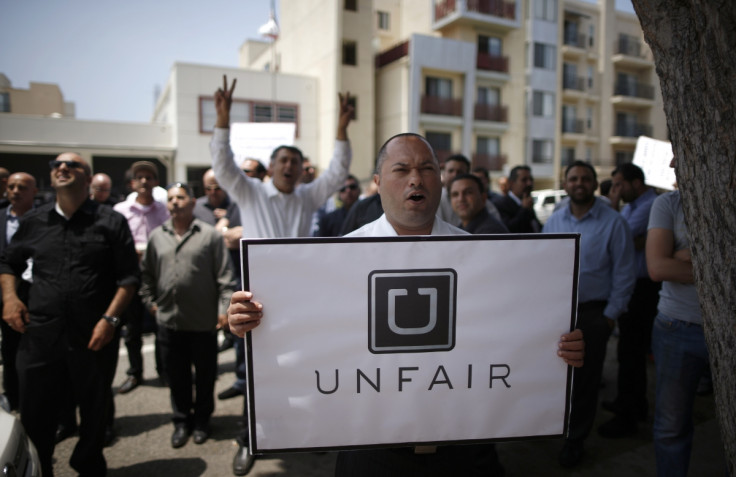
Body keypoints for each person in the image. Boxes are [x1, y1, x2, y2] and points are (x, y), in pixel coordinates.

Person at [228, 133, 585, 476]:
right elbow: (302, 335)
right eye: (402, 170)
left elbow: (516, 335)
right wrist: (253, 321)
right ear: (379, 182)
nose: (417, 179)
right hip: (369, 452)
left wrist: (556, 349)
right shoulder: (336, 259)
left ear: (440, 181)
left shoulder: (484, 258)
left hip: (461, 452)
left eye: (428, 168)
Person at [210, 75, 353, 476]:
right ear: (271, 167)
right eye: (282, 160)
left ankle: (306, 435)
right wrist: (222, 120)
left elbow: (338, 171)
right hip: (258, 300)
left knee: (305, 369)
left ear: (301, 170)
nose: (288, 166)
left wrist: (341, 129)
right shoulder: (250, 192)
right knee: (257, 375)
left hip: (303, 301)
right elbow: (222, 165)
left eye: (295, 161)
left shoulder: (309, 195)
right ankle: (247, 440)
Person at [0, 153, 139, 477]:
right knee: (35, 413)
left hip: (93, 336)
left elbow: (129, 278)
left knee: (94, 411)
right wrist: (9, 298)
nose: (61, 168)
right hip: (40, 336)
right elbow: (8, 263)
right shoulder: (34, 222)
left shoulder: (109, 221)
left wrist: (110, 320)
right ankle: (41, 467)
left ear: (88, 178)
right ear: (51, 178)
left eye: (72, 165)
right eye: (56, 165)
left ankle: (89, 465)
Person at [543, 160, 636, 467]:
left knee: (585, 382)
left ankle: (575, 440)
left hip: (594, 314)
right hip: (557, 313)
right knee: (557, 378)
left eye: (585, 178)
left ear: (595, 184)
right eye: (573, 178)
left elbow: (625, 273)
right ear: (565, 183)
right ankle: (554, 428)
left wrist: (609, 316)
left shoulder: (614, 222)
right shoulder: (554, 221)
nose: (579, 183)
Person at [140, 183, 235, 448]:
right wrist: (151, 302)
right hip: (169, 322)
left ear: (193, 202)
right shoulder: (157, 236)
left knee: (205, 377)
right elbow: (146, 274)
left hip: (203, 323)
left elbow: (225, 278)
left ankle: (203, 421)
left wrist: (222, 310)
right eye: (171, 198)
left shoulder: (210, 236)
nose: (175, 203)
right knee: (177, 377)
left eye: (181, 198)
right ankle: (182, 421)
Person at [646, 159, 708, 477]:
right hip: (676, 326)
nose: (672, 163)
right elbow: (657, 268)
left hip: (725, 329)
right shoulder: (667, 203)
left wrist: (683, 256)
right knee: (671, 426)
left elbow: (668, 264)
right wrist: (715, 262)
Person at [598, 163, 660, 438]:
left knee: (631, 351)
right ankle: (633, 403)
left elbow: (619, 232)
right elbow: (627, 240)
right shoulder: (632, 206)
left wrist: (611, 204)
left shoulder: (649, 205)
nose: (617, 190)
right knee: (627, 350)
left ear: (637, 183)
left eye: (621, 184)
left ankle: (629, 414)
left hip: (644, 288)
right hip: (633, 286)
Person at [114, 161, 170, 394]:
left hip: (157, 277)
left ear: (156, 182)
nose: (145, 181)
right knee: (133, 329)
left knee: (160, 326)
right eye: (140, 177)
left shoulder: (165, 210)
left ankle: (163, 370)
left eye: (149, 177)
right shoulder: (120, 211)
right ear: (132, 183)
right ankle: (135, 372)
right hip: (130, 277)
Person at [0, 172, 37, 412]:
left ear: (34, 191)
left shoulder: (43, 220)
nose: (14, 191)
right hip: (6, 297)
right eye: (11, 186)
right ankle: (12, 398)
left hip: (37, 296)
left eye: (21, 187)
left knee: (37, 353)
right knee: (10, 350)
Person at [492, 165, 542, 233]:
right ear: (512, 183)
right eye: (524, 180)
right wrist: (524, 209)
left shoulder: (528, 203)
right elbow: (508, 230)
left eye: (531, 179)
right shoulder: (500, 204)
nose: (529, 183)